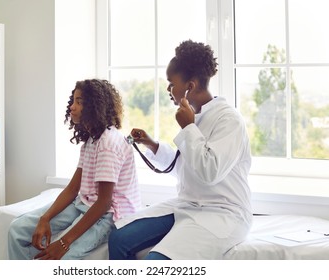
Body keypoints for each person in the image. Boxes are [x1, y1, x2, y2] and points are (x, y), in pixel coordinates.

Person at [108, 40, 252, 260]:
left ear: (190, 86)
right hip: (188, 204)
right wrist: (152, 144)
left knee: (155, 262)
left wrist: (188, 127)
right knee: (118, 239)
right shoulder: (194, 116)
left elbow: (209, 172)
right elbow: (184, 168)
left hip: (222, 212)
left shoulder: (229, 120)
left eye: (171, 83)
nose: (168, 89)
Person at [8, 79, 141, 260]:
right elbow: (72, 189)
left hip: (108, 215)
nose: (72, 107)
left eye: (79, 102)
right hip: (84, 204)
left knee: (62, 259)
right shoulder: (91, 141)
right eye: (73, 101)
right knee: (17, 230)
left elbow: (104, 202)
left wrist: (63, 243)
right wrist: (44, 218)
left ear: (94, 106)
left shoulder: (108, 143)